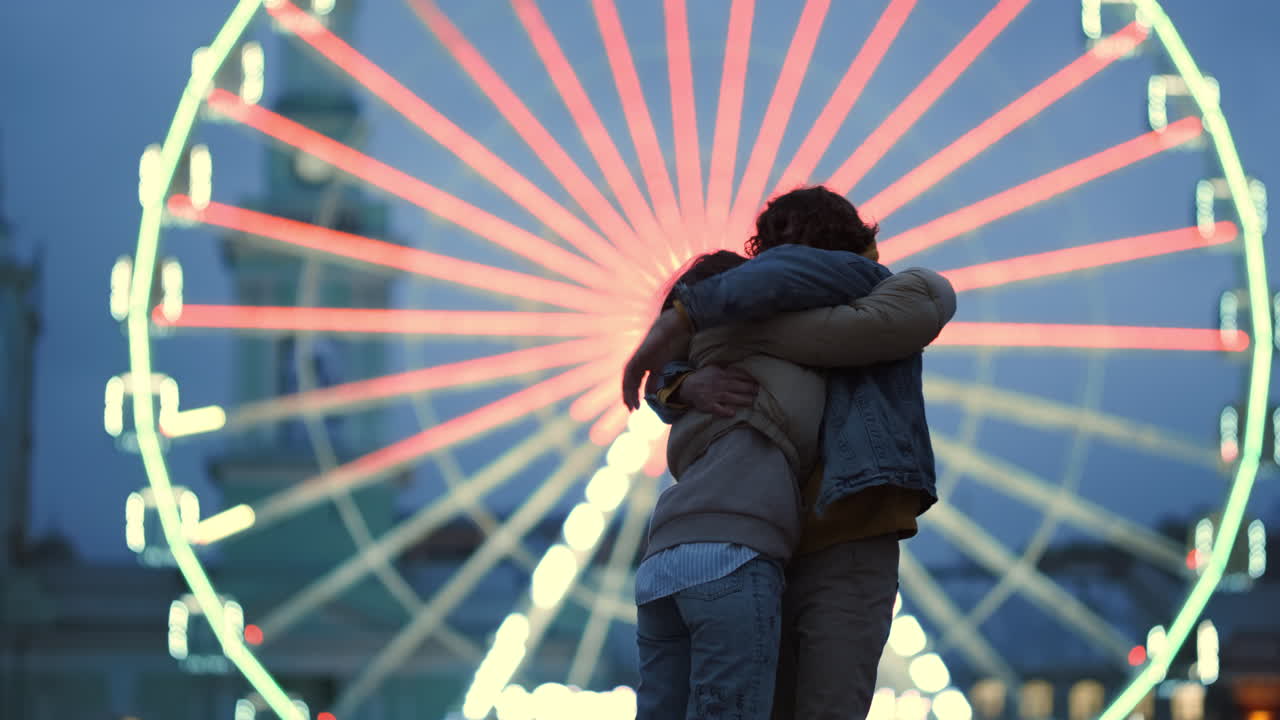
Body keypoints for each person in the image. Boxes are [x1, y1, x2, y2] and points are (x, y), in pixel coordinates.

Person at [623, 185, 957, 720]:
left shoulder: (902, 293)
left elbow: (835, 332)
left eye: (795, 247)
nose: (785, 261)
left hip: (847, 534)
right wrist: (679, 384)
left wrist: (707, 328)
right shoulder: (750, 308)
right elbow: (666, 382)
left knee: (826, 704)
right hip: (763, 540)